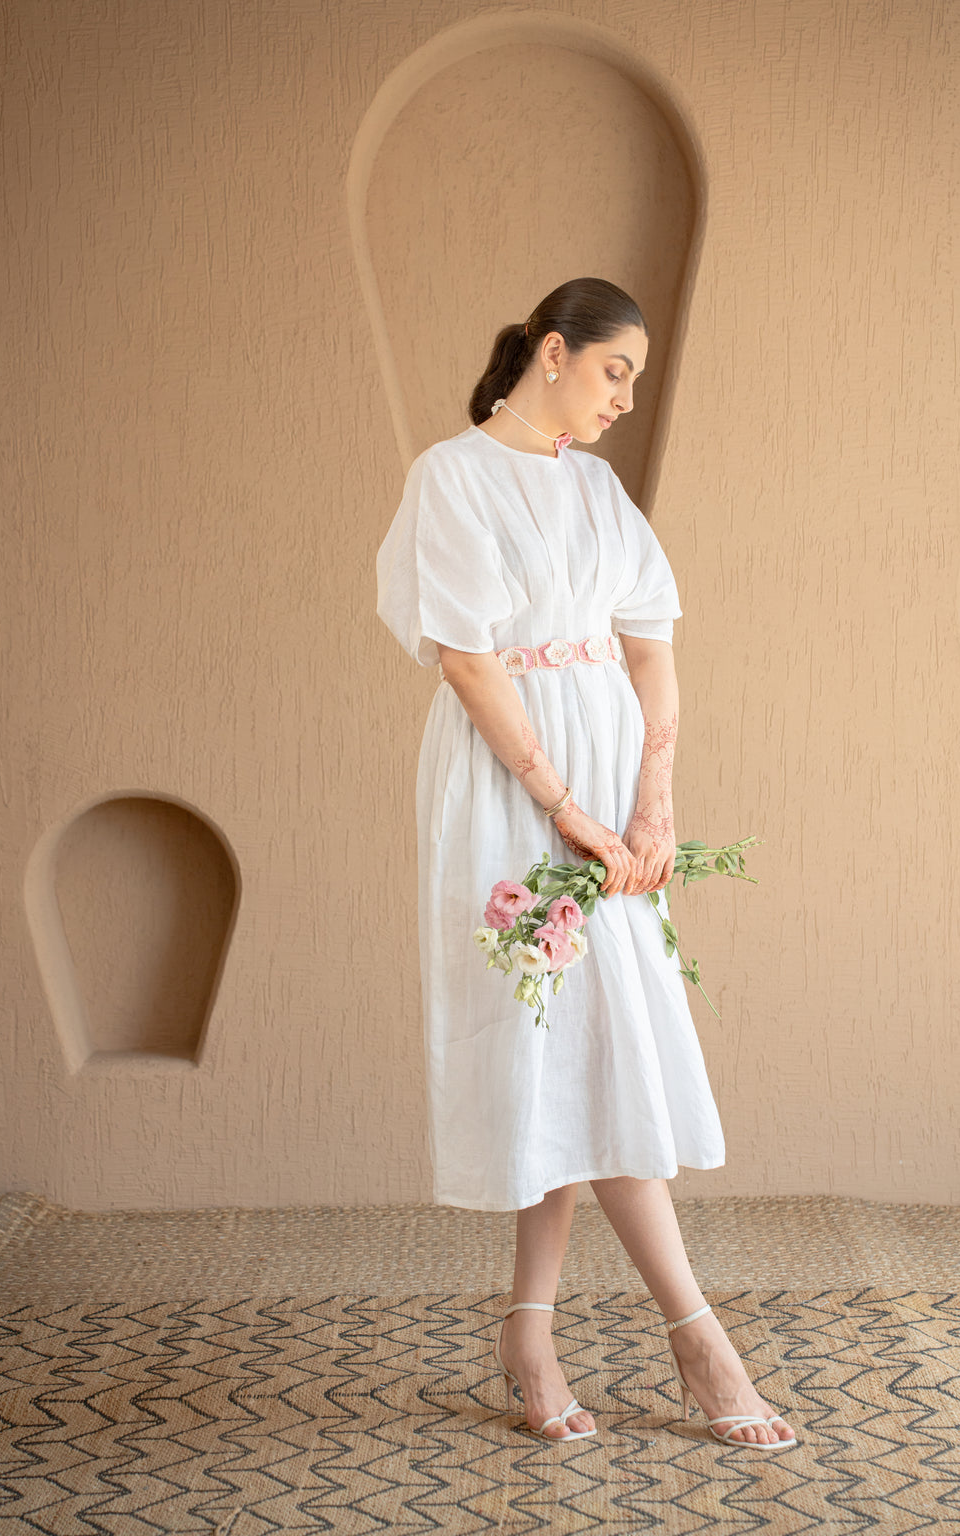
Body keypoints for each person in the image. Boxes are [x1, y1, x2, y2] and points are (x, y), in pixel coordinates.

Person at [375, 278, 797, 1449]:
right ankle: (697, 1336)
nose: (624, 398)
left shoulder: (600, 489)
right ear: (551, 353)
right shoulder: (448, 477)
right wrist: (563, 808)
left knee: (584, 1053)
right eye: (615, 371)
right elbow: (467, 663)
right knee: (559, 1042)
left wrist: (651, 806)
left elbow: (651, 650)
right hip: (514, 789)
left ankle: (529, 1327)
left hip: (610, 794)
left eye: (636, 380)